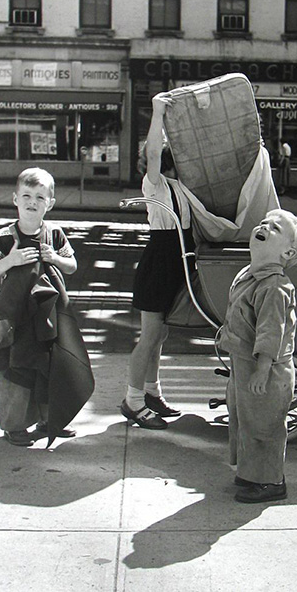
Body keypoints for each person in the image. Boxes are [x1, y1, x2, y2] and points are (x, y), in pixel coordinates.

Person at [0, 167, 79, 446]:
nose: (32, 202)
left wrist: (56, 258)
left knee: (50, 365)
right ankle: (15, 425)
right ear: (15, 199)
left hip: (48, 313)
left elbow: (72, 265)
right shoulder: (4, 236)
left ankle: (50, 420)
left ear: (50, 203)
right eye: (26, 195)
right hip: (14, 315)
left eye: (39, 197)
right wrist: (9, 261)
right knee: (14, 367)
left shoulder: (55, 233)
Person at [216, 208, 297, 504]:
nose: (265, 226)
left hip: (266, 372)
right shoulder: (251, 276)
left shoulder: (275, 286)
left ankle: (271, 481)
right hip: (246, 366)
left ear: (287, 252)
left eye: (276, 228)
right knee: (244, 421)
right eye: (264, 222)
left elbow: (272, 331)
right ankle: (251, 473)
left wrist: (263, 368)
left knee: (264, 428)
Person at [120, 92, 193, 430]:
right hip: (160, 260)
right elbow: (151, 150)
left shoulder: (180, 187)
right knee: (149, 335)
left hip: (175, 259)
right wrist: (158, 113)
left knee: (160, 335)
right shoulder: (156, 184)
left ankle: (151, 393)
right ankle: (133, 401)